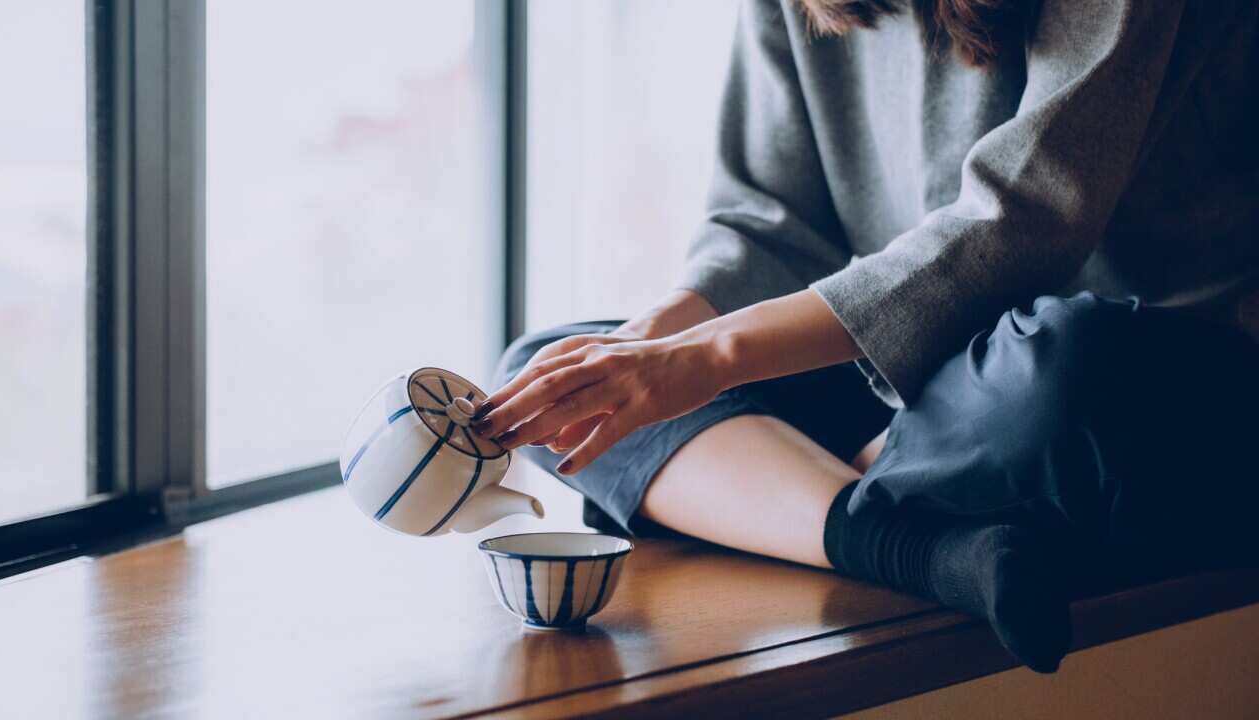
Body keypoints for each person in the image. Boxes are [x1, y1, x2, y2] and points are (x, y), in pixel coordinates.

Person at [476, 0, 1259, 672]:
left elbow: (1027, 217)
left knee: (1069, 364)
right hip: (917, 376)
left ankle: (796, 496)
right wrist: (645, 348)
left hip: (1142, 370)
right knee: (552, 365)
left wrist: (705, 359)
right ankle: (919, 546)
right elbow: (769, 222)